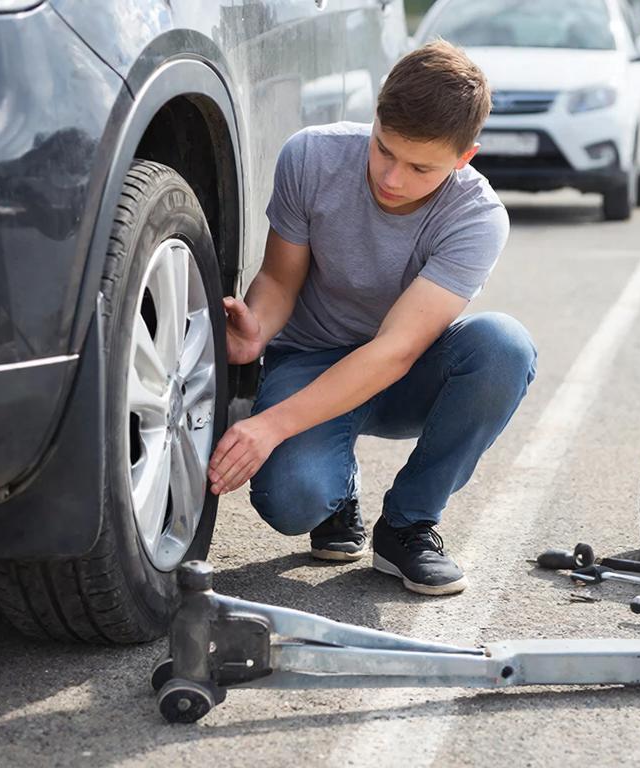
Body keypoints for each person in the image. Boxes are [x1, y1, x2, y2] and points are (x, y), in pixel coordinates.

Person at [205, 42, 536, 597]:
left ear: (464, 158)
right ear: (376, 115)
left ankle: (408, 525)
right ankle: (337, 492)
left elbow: (397, 350)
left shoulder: (477, 219)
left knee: (505, 346)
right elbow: (281, 280)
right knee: (293, 501)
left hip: (403, 369)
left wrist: (270, 426)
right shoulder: (310, 157)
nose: (392, 178)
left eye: (420, 167)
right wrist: (257, 328)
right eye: (384, 150)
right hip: (311, 358)